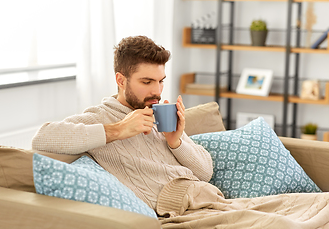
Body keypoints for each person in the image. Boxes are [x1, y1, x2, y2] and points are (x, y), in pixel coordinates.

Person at [32, 35, 213, 210]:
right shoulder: (101, 116)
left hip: (207, 199)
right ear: (121, 80)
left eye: (161, 81)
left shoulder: (161, 113)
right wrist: (120, 129)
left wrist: (176, 143)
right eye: (147, 81)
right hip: (176, 209)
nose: (157, 91)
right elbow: (42, 138)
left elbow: (205, 173)